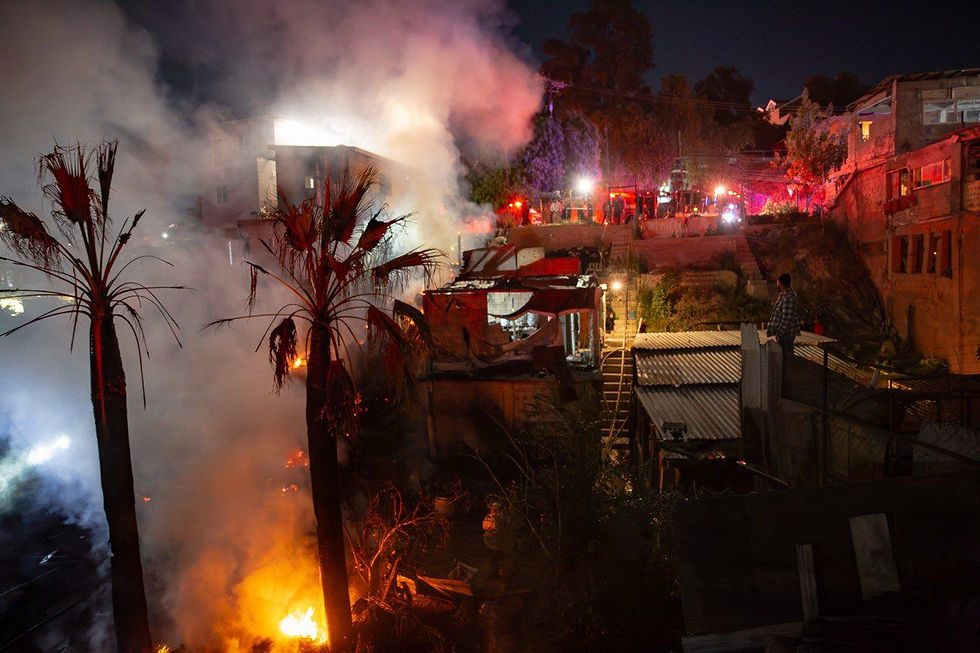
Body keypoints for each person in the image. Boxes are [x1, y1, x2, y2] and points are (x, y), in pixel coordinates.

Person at [767, 273, 801, 359]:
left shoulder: (788, 298)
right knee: (784, 356)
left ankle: (788, 372)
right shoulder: (785, 295)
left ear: (781, 283)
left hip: (786, 333)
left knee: (786, 357)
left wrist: (780, 333)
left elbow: (787, 319)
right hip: (785, 333)